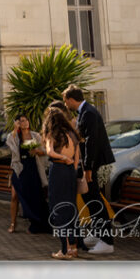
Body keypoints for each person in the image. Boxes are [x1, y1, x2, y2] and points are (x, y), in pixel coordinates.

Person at [62, 85, 115, 254]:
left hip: (94, 165)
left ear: (71, 100)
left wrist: (89, 168)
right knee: (90, 200)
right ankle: (97, 234)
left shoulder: (89, 113)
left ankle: (107, 241)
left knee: (95, 201)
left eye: (66, 101)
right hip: (90, 164)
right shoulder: (86, 112)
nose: (66, 105)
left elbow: (92, 143)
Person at [42, 103, 80, 259]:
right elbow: (77, 159)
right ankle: (73, 247)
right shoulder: (72, 134)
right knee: (71, 208)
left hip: (58, 171)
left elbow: (50, 152)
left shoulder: (52, 134)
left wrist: (62, 157)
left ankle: (64, 250)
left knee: (58, 209)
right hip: (71, 172)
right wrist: (71, 166)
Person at [8, 114, 49, 234]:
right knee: (16, 196)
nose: (24, 123)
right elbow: (12, 146)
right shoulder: (14, 136)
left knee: (35, 196)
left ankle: (37, 223)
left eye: (26, 120)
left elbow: (45, 151)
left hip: (33, 169)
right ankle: (13, 223)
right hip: (20, 169)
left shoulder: (35, 135)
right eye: (21, 121)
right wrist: (15, 130)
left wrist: (37, 151)